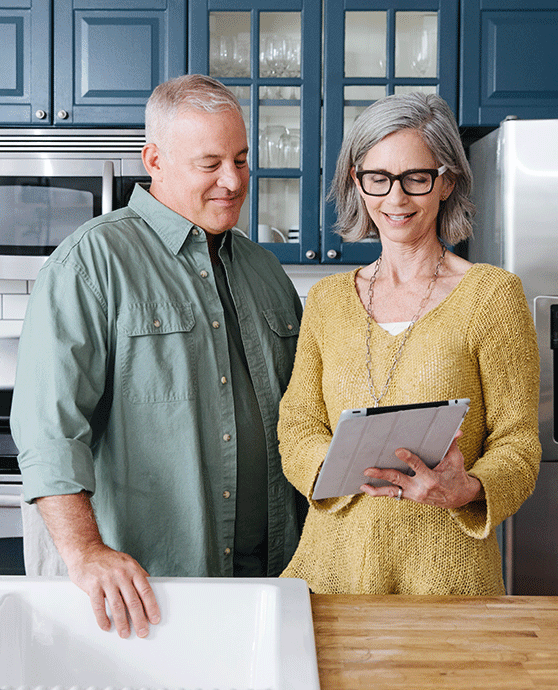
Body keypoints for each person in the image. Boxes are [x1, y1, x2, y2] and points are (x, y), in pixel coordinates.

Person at [11, 74, 303, 637]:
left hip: (272, 580)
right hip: (149, 593)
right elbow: (49, 430)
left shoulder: (266, 271)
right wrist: (87, 551)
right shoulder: (92, 262)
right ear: (155, 160)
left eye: (242, 160)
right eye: (210, 163)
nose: (234, 180)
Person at [278, 92, 541, 595]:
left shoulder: (491, 295)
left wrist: (471, 487)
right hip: (334, 573)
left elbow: (518, 444)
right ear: (357, 182)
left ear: (446, 182)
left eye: (416, 178)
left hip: (448, 581)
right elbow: (297, 426)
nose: (395, 199)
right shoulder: (329, 300)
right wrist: (338, 469)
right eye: (378, 178)